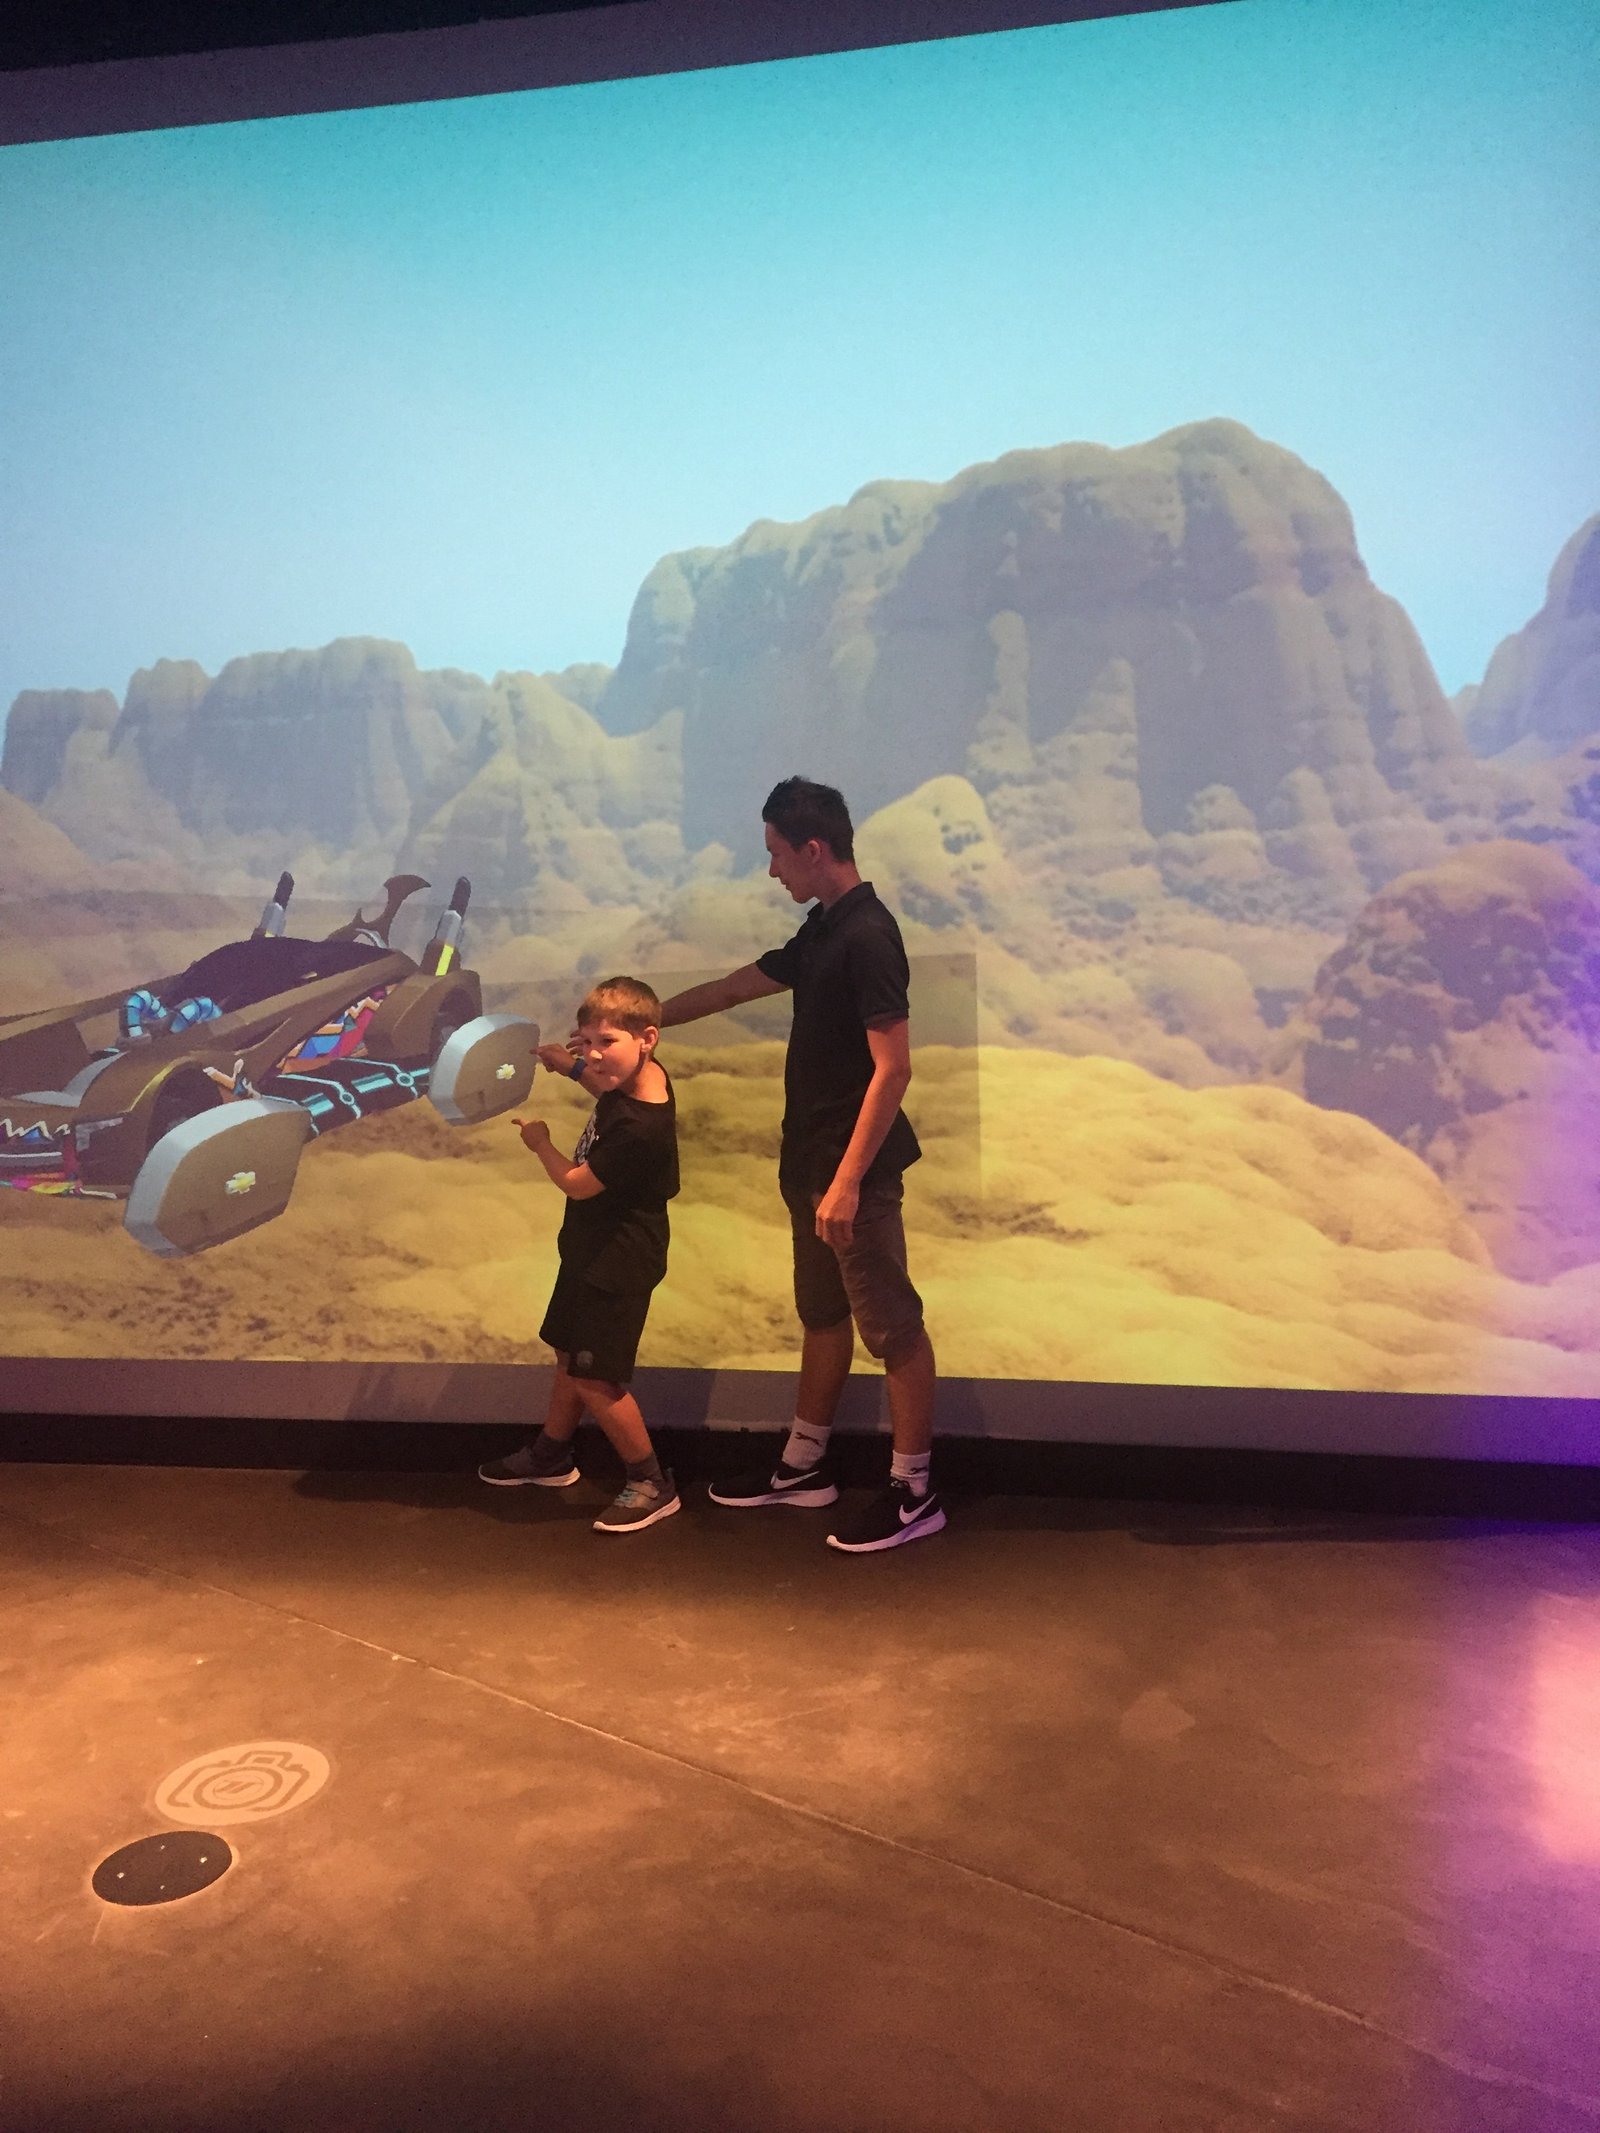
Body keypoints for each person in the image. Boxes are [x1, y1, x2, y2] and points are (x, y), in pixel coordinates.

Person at [658, 776, 943, 1553]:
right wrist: (644, 1019)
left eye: (778, 854)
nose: (772, 869)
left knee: (894, 1327)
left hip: (854, 1177)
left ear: (814, 850)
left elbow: (894, 1069)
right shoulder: (823, 928)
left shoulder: (868, 934)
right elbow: (734, 987)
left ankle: (915, 1490)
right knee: (823, 1315)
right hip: (811, 1167)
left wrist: (847, 1181)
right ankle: (804, 1465)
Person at [477, 977, 681, 1535]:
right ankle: (551, 1454)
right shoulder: (646, 1078)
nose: (593, 1055)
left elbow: (577, 1183)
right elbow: (608, 1087)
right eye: (586, 1041)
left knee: (596, 1378)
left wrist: (540, 1143)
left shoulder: (640, 1129)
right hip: (592, 1252)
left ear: (647, 1039)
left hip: (617, 1263)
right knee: (570, 1354)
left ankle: (651, 1482)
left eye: (606, 1042)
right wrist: (568, 1067)